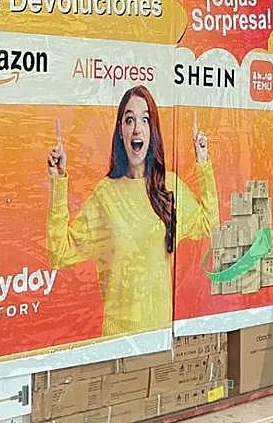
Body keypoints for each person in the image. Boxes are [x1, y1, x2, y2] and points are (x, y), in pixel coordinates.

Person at [46, 86, 218, 337]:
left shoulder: (168, 188)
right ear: (121, 132)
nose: (137, 128)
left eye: (145, 119)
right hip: (118, 338)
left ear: (152, 131)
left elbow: (210, 225)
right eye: (129, 120)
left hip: (160, 335)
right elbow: (59, 252)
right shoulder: (105, 195)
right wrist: (59, 181)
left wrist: (203, 161)